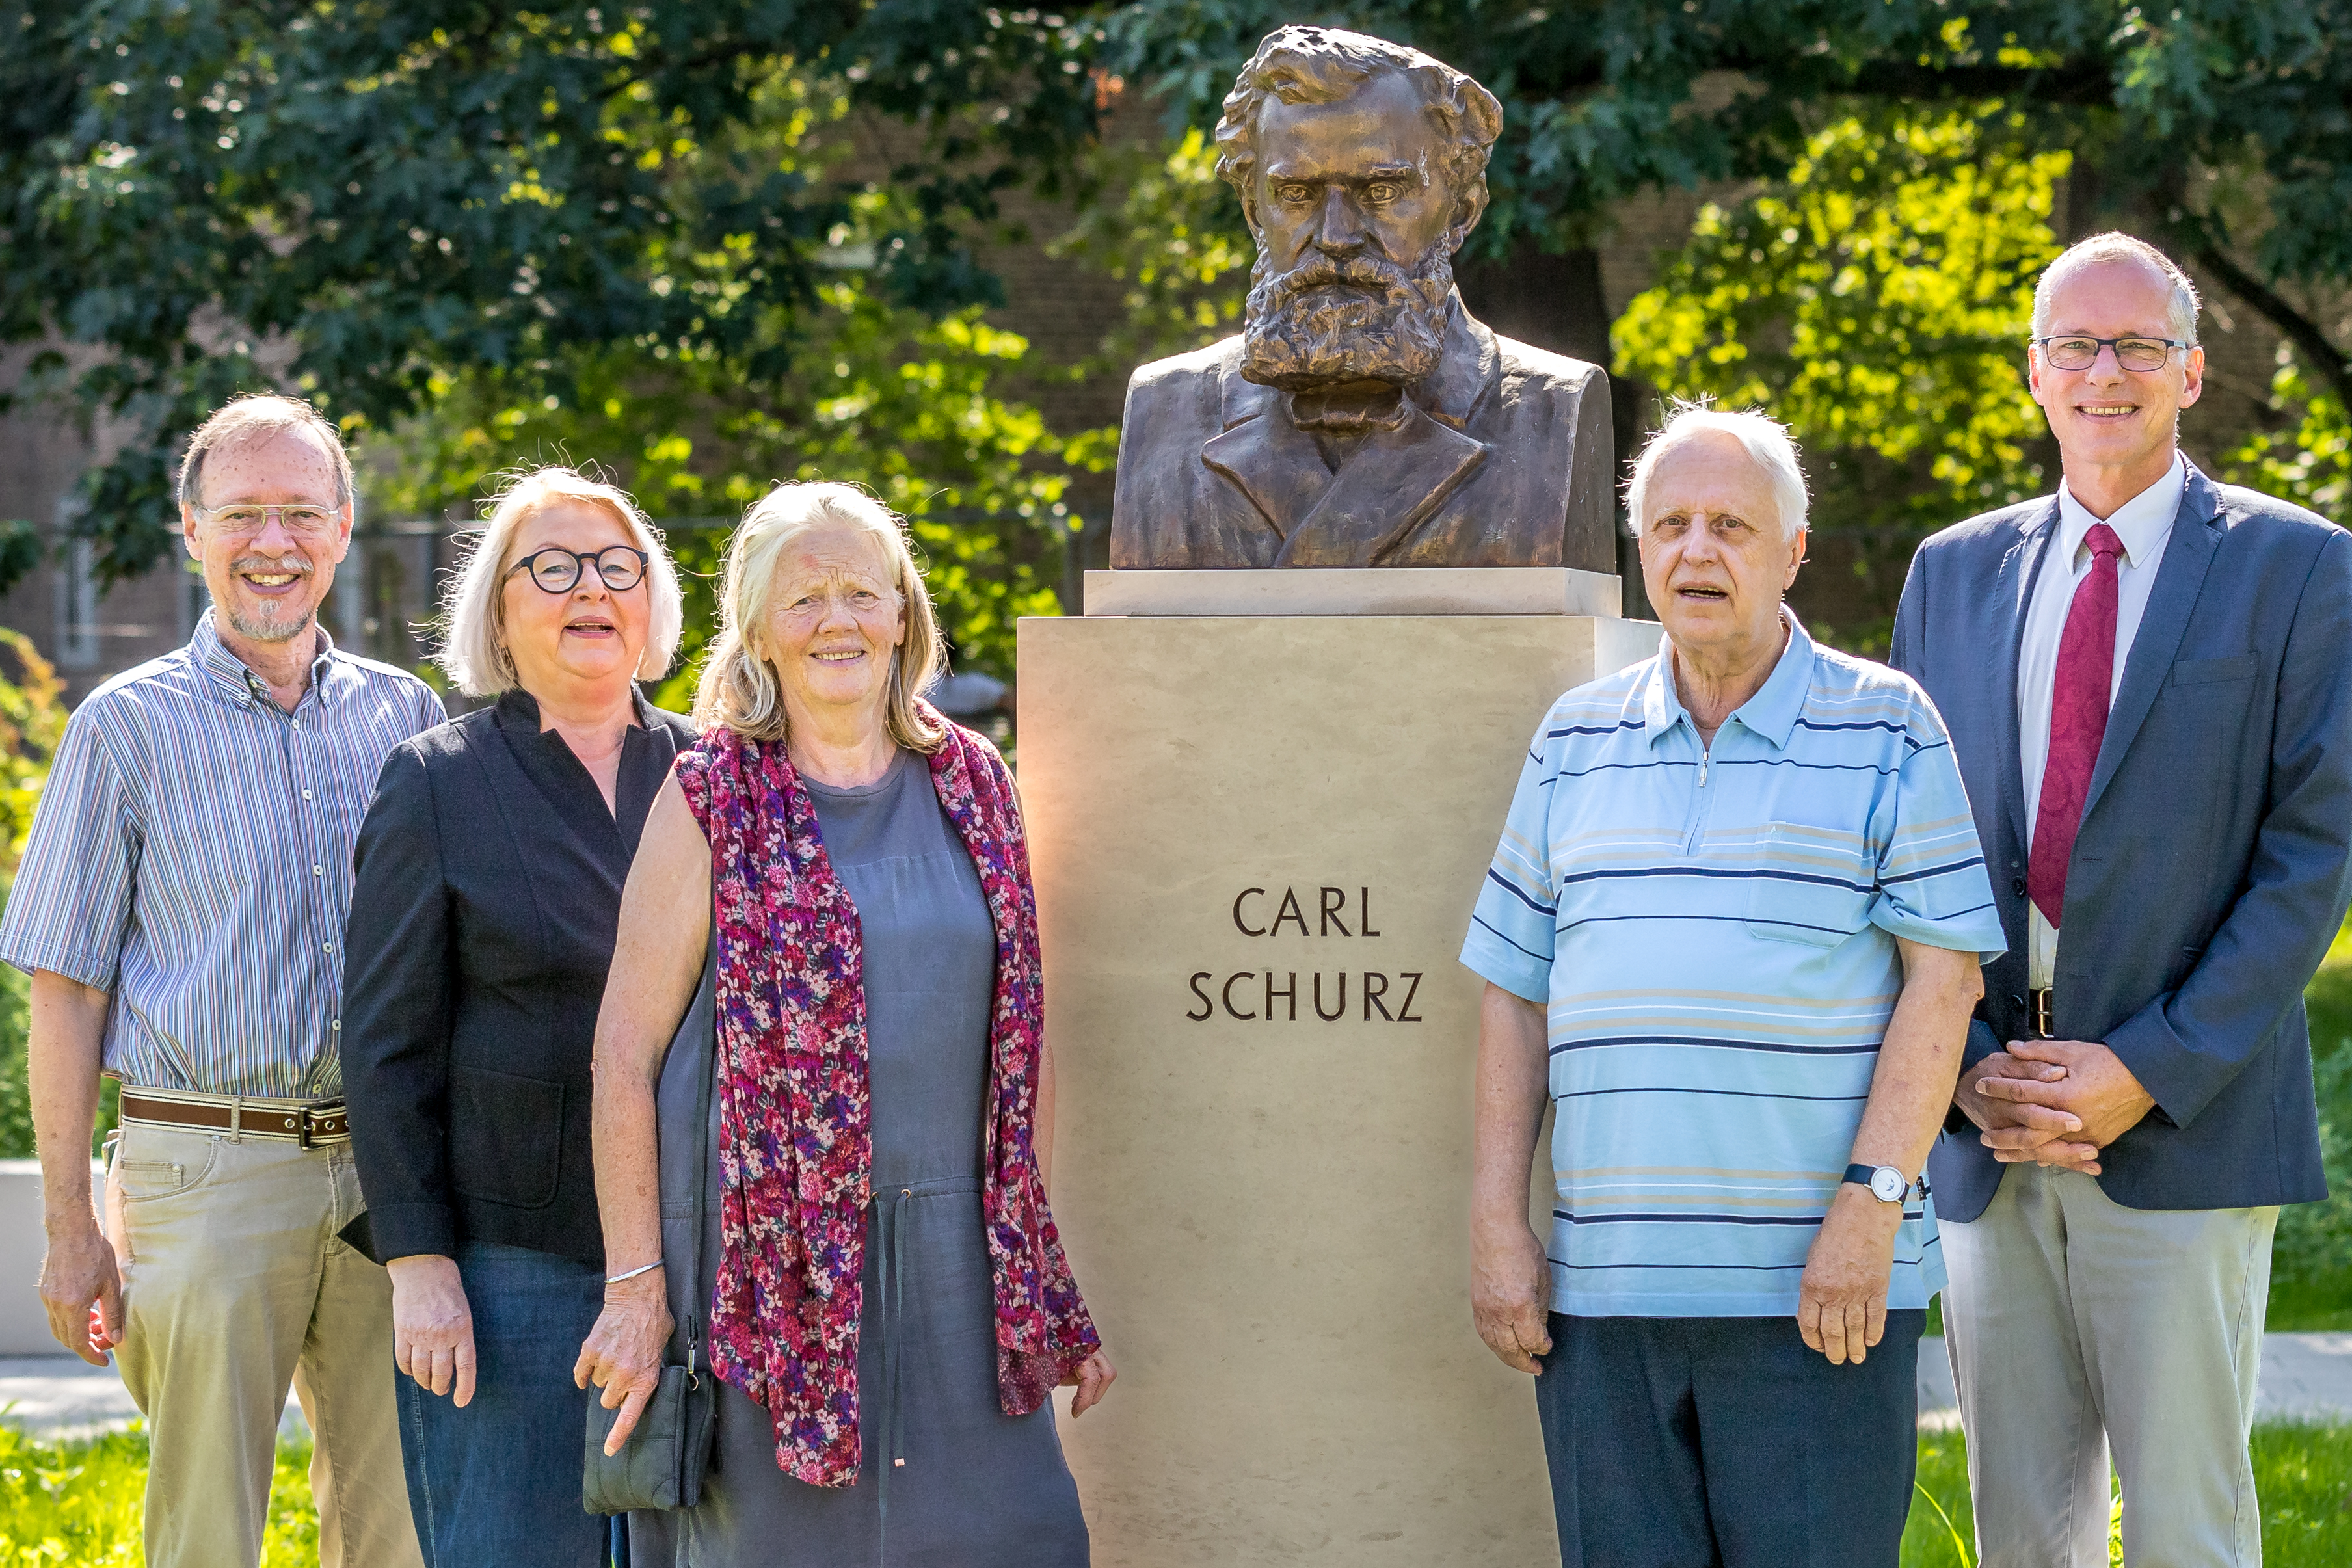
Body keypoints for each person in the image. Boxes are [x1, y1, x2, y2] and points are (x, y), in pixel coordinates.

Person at [1462, 406, 2005, 1567]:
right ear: (1639, 549)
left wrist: (1870, 1205)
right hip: (1601, 1307)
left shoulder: (1890, 726)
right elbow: (1515, 993)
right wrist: (1497, 1222)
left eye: (1730, 527)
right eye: (1669, 525)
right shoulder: (1573, 740)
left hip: (1822, 1296)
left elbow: (1944, 984)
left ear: (1792, 551)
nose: (1696, 552)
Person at [1888, 233, 2352, 1567]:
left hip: (2180, 1125)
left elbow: (2308, 858)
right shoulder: (1951, 573)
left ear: (2189, 371)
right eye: (2074, 345)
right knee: (2018, 1531)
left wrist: (2139, 1067)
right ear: (2031, 372)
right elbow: (1913, 848)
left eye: (2136, 344)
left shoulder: (2299, 569)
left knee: (2182, 1529)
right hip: (1990, 1126)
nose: (2105, 370)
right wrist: (1968, 1073)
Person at [574, 482, 1116, 1566]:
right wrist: (635, 1288)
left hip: (964, 1267)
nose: (837, 620)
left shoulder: (975, 781)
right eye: (804, 597)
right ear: (761, 631)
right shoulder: (712, 793)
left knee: (1017, 1540)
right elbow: (623, 1056)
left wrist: (1034, 1263)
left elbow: (1020, 1039)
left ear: (903, 615)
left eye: (861, 592)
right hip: (764, 1281)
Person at [0, 395, 442, 1568]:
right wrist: (67, 1230)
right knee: (203, 1532)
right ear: (190, 529)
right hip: (204, 1168)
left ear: (344, 528)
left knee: (400, 1524)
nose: (273, 541)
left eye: (301, 511)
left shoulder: (409, 719)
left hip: (386, 1176)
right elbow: (68, 992)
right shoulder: (123, 729)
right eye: (242, 512)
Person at [338, 467, 692, 1565]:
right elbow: (384, 1046)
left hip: (696, 1249)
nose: (590, 588)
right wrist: (420, 1263)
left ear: (651, 602)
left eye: (616, 566)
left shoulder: (718, 771)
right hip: (511, 1275)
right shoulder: (436, 782)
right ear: (500, 609)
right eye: (552, 568)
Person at [1108, 25, 1613, 572]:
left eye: (1382, 191)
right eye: (1296, 194)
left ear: (1462, 209)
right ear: (1255, 212)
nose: (1336, 236)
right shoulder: (1166, 411)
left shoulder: (1547, 411)